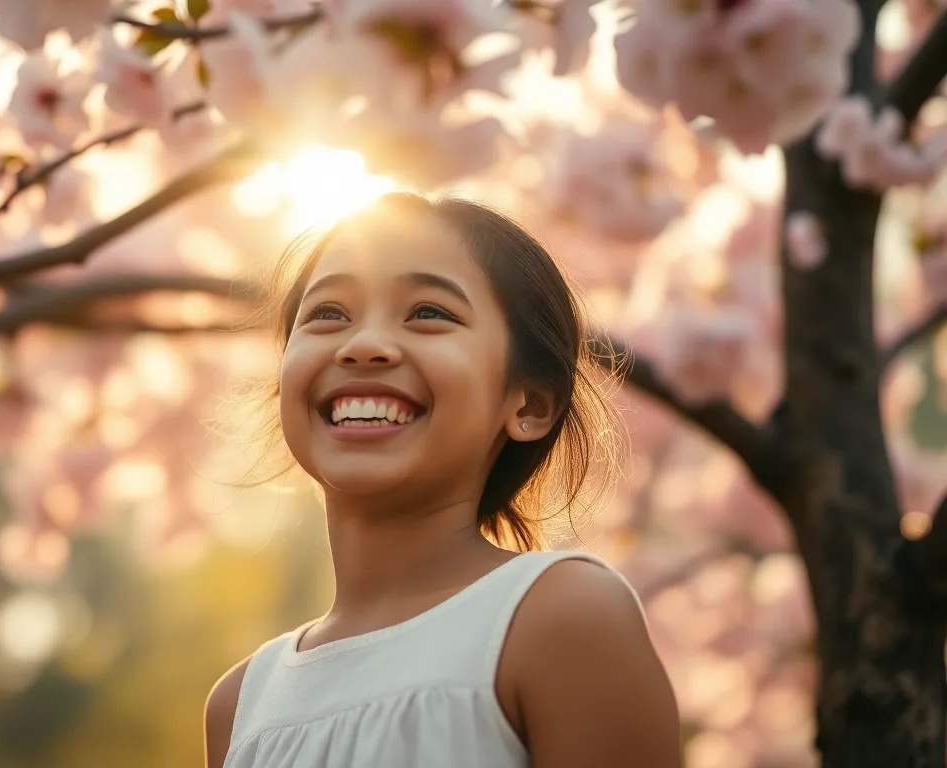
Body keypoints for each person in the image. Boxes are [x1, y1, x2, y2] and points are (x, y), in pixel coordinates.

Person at [203, 192, 681, 768]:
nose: (363, 346)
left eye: (429, 313)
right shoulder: (239, 704)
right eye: (328, 313)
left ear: (528, 404)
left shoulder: (559, 617)